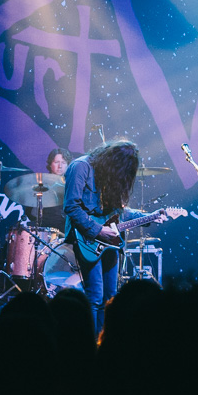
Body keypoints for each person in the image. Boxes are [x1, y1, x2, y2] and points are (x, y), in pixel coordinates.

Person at [63, 140, 146, 334]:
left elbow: (119, 212)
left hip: (109, 242)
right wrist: (98, 230)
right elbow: (71, 207)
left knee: (111, 297)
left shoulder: (109, 178)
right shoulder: (81, 167)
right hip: (87, 238)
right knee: (96, 297)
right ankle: (91, 348)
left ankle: (106, 342)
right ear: (112, 161)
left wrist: (149, 217)